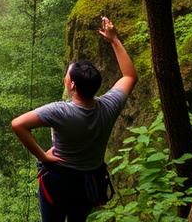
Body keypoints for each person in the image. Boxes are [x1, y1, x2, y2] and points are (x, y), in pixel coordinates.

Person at [11, 16, 136, 222]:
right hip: (90, 183)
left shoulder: (60, 112)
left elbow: (18, 125)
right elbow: (130, 76)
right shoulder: (109, 106)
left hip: (59, 180)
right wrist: (114, 40)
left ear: (72, 86)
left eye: (68, 75)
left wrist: (43, 157)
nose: (66, 76)